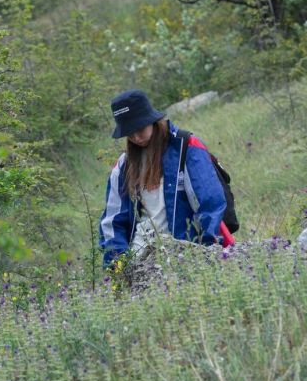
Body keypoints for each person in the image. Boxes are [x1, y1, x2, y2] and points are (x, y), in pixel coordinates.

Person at [98, 89, 234, 265]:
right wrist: (118, 264)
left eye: (139, 129)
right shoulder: (124, 166)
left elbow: (211, 202)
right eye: (129, 134)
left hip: (187, 254)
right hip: (141, 260)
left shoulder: (187, 147)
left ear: (152, 121)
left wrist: (207, 251)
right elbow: (112, 221)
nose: (136, 138)